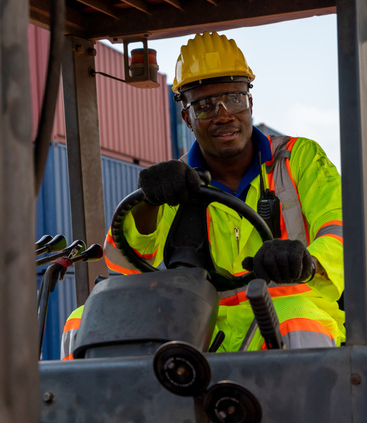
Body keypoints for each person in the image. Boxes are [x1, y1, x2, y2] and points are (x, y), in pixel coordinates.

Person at [61, 32, 344, 358]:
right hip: (194, 320)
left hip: (282, 306)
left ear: (249, 102)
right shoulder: (172, 186)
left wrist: (305, 260)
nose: (224, 114)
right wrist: (147, 204)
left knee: (299, 324)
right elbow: (122, 268)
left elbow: (341, 231)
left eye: (234, 99)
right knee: (81, 322)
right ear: (187, 117)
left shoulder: (299, 159)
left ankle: (302, 410)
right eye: (205, 105)